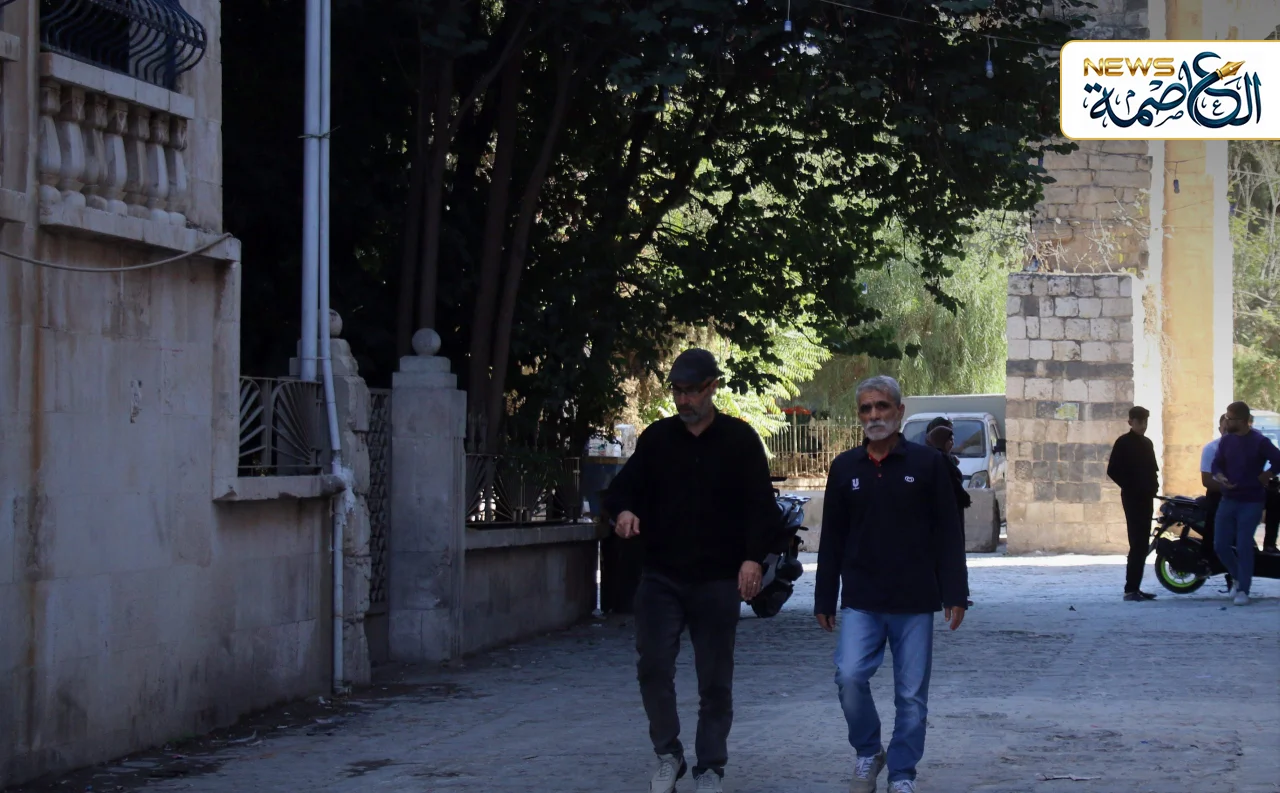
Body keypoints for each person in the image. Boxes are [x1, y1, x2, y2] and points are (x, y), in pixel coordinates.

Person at [604, 348, 778, 793]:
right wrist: (623, 511)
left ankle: (711, 766)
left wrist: (752, 558)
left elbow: (762, 507)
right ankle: (669, 754)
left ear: (712, 388)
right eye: (677, 392)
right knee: (653, 667)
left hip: (718, 579)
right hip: (661, 575)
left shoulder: (740, 440)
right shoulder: (657, 439)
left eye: (692, 391)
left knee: (715, 679)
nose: (684, 400)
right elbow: (623, 489)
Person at [814, 375, 968, 793]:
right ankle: (869, 751)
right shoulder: (845, 467)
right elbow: (832, 538)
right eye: (866, 408)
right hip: (861, 599)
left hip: (915, 599)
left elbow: (948, 533)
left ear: (899, 412)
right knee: (848, 676)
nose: (874, 415)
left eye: (882, 406)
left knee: (912, 696)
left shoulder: (928, 464)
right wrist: (824, 597)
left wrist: (956, 592)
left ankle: (902, 774)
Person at [1211, 401, 1280, 606]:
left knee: (1243, 545)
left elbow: (1278, 459)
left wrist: (1266, 475)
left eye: (1229, 418)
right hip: (1228, 499)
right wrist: (1221, 477)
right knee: (1220, 545)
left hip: (1251, 501)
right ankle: (1238, 576)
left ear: (1241, 421)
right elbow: (1216, 464)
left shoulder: (1259, 441)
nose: (1226, 421)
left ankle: (1243, 590)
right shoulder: (1226, 441)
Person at [1106, 406, 1160, 601]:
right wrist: (1131, 486)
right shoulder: (1123, 443)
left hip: (1146, 498)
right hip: (1133, 498)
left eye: (1145, 422)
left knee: (1142, 542)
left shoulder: (1147, 443)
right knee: (1137, 542)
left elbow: (1152, 470)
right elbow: (1113, 470)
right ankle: (1130, 589)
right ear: (1131, 422)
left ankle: (1135, 587)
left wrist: (1153, 487)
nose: (1143, 425)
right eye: (1139, 422)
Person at [1199, 414, 1229, 575]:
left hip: (1239, 494)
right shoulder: (1211, 449)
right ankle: (1206, 559)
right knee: (1214, 517)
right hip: (1218, 493)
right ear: (1220, 429)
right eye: (1225, 428)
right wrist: (1228, 488)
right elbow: (1207, 480)